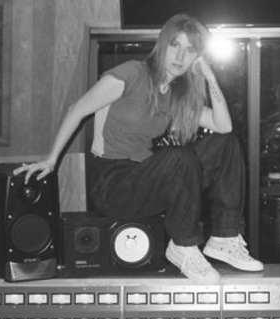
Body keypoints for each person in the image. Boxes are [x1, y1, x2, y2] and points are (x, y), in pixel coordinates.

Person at [15, 14, 262, 283]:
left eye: (190, 50)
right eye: (175, 45)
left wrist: (210, 77)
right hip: (113, 184)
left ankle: (224, 238)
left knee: (226, 143)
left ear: (197, 58)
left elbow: (223, 126)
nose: (180, 56)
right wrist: (51, 160)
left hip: (145, 177)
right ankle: (183, 245)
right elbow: (78, 109)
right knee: (180, 158)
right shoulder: (133, 73)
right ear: (162, 44)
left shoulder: (177, 95)